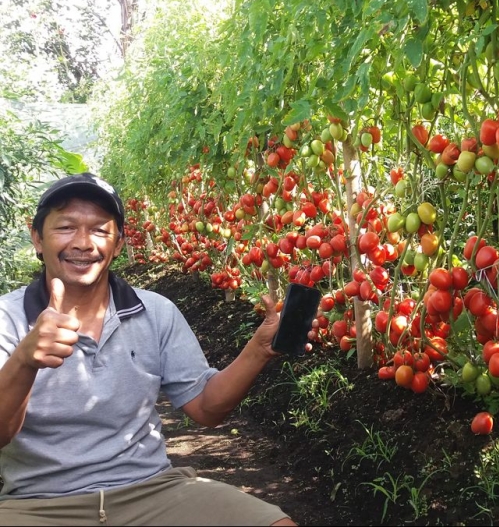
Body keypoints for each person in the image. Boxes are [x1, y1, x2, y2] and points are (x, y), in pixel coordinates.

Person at [0, 173, 314, 526]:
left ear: (118, 244)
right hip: (39, 505)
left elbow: (207, 409)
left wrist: (258, 350)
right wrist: (25, 361)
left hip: (152, 492)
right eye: (67, 227)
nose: (84, 243)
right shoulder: (7, 319)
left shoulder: (155, 312)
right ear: (37, 239)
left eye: (101, 230)